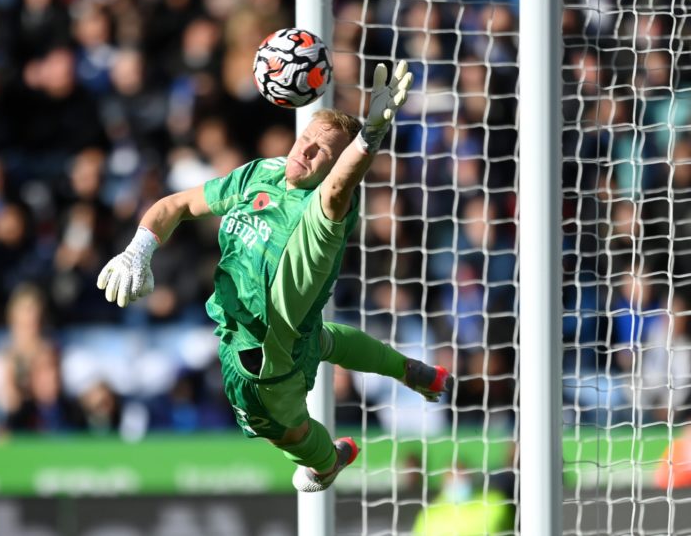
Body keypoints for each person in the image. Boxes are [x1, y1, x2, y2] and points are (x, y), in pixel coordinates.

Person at [97, 61, 454, 492]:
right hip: (290, 331)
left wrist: (368, 138)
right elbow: (177, 205)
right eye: (304, 141)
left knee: (286, 433)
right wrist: (139, 249)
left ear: (336, 166)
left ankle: (330, 461)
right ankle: (407, 368)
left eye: (319, 152)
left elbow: (340, 186)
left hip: (263, 363)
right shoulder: (261, 174)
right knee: (321, 340)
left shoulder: (325, 214)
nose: (303, 152)